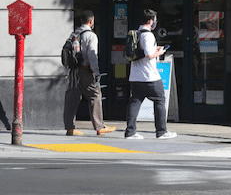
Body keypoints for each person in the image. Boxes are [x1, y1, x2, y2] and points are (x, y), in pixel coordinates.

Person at [125, 9, 177, 140]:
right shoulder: (148, 35)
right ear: (150, 21)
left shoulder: (136, 33)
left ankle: (130, 132)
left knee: (134, 102)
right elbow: (149, 54)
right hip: (149, 76)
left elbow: (143, 51)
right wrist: (159, 52)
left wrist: (155, 48)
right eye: (154, 20)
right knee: (160, 100)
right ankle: (161, 131)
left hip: (135, 76)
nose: (155, 22)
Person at [64, 10, 116, 136]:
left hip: (73, 71)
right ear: (91, 21)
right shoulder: (91, 35)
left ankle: (70, 128)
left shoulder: (74, 34)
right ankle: (99, 126)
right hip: (85, 70)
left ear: (81, 20)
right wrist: (96, 72)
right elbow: (92, 55)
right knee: (95, 95)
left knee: (72, 97)